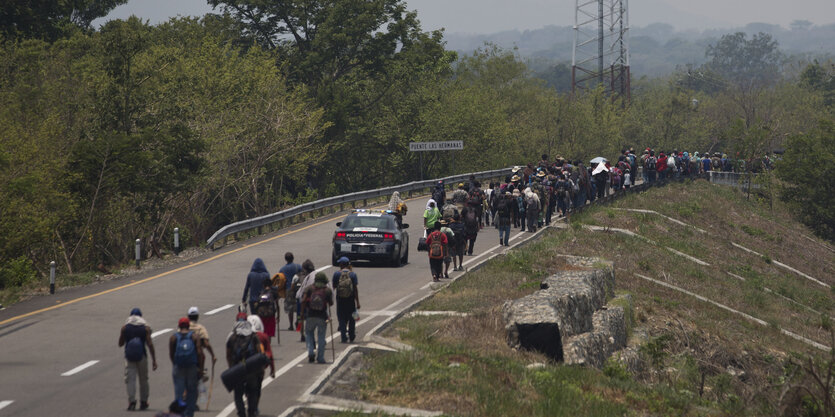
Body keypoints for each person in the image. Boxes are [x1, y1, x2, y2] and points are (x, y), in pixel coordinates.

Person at [119, 307, 158, 411]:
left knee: (130, 380)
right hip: (142, 356)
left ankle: (132, 401)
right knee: (143, 380)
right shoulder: (145, 328)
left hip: (129, 357)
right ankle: (144, 401)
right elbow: (149, 344)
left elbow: (120, 343)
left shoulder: (125, 328)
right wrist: (154, 360)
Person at [226, 317, 264, 417]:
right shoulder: (254, 337)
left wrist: (231, 368)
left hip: (238, 368)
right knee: (253, 391)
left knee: (238, 394)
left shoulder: (232, 338)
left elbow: (228, 355)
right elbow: (260, 352)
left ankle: (241, 413)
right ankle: (251, 412)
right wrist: (260, 369)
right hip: (251, 368)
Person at [169, 317, 204, 417]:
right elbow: (199, 353)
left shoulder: (173, 337)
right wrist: (200, 369)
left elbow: (171, 354)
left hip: (178, 367)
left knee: (179, 393)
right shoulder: (194, 336)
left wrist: (175, 364)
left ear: (179, 326)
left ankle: (180, 414)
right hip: (191, 368)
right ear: (188, 326)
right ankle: (190, 414)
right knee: (191, 393)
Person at [300, 272, 333, 363]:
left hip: (310, 315)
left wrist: (302, 313)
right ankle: (320, 358)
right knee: (321, 337)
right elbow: (331, 303)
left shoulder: (309, 289)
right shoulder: (327, 290)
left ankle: (311, 352)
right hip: (322, 316)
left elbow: (303, 301)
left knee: (309, 333)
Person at [332, 257, 360, 343]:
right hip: (350, 300)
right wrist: (357, 302)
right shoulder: (353, 275)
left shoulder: (336, 274)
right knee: (352, 318)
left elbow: (334, 286)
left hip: (340, 300)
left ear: (341, 264)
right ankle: (352, 335)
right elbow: (355, 289)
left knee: (342, 318)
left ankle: (343, 337)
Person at [278, 252, 302, 331]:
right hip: (298, 288)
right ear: (293, 258)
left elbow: (280, 280)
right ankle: (298, 322)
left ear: (285, 259)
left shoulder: (282, 269)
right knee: (298, 306)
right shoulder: (298, 266)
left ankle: (291, 325)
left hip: (289, 289)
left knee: (290, 308)